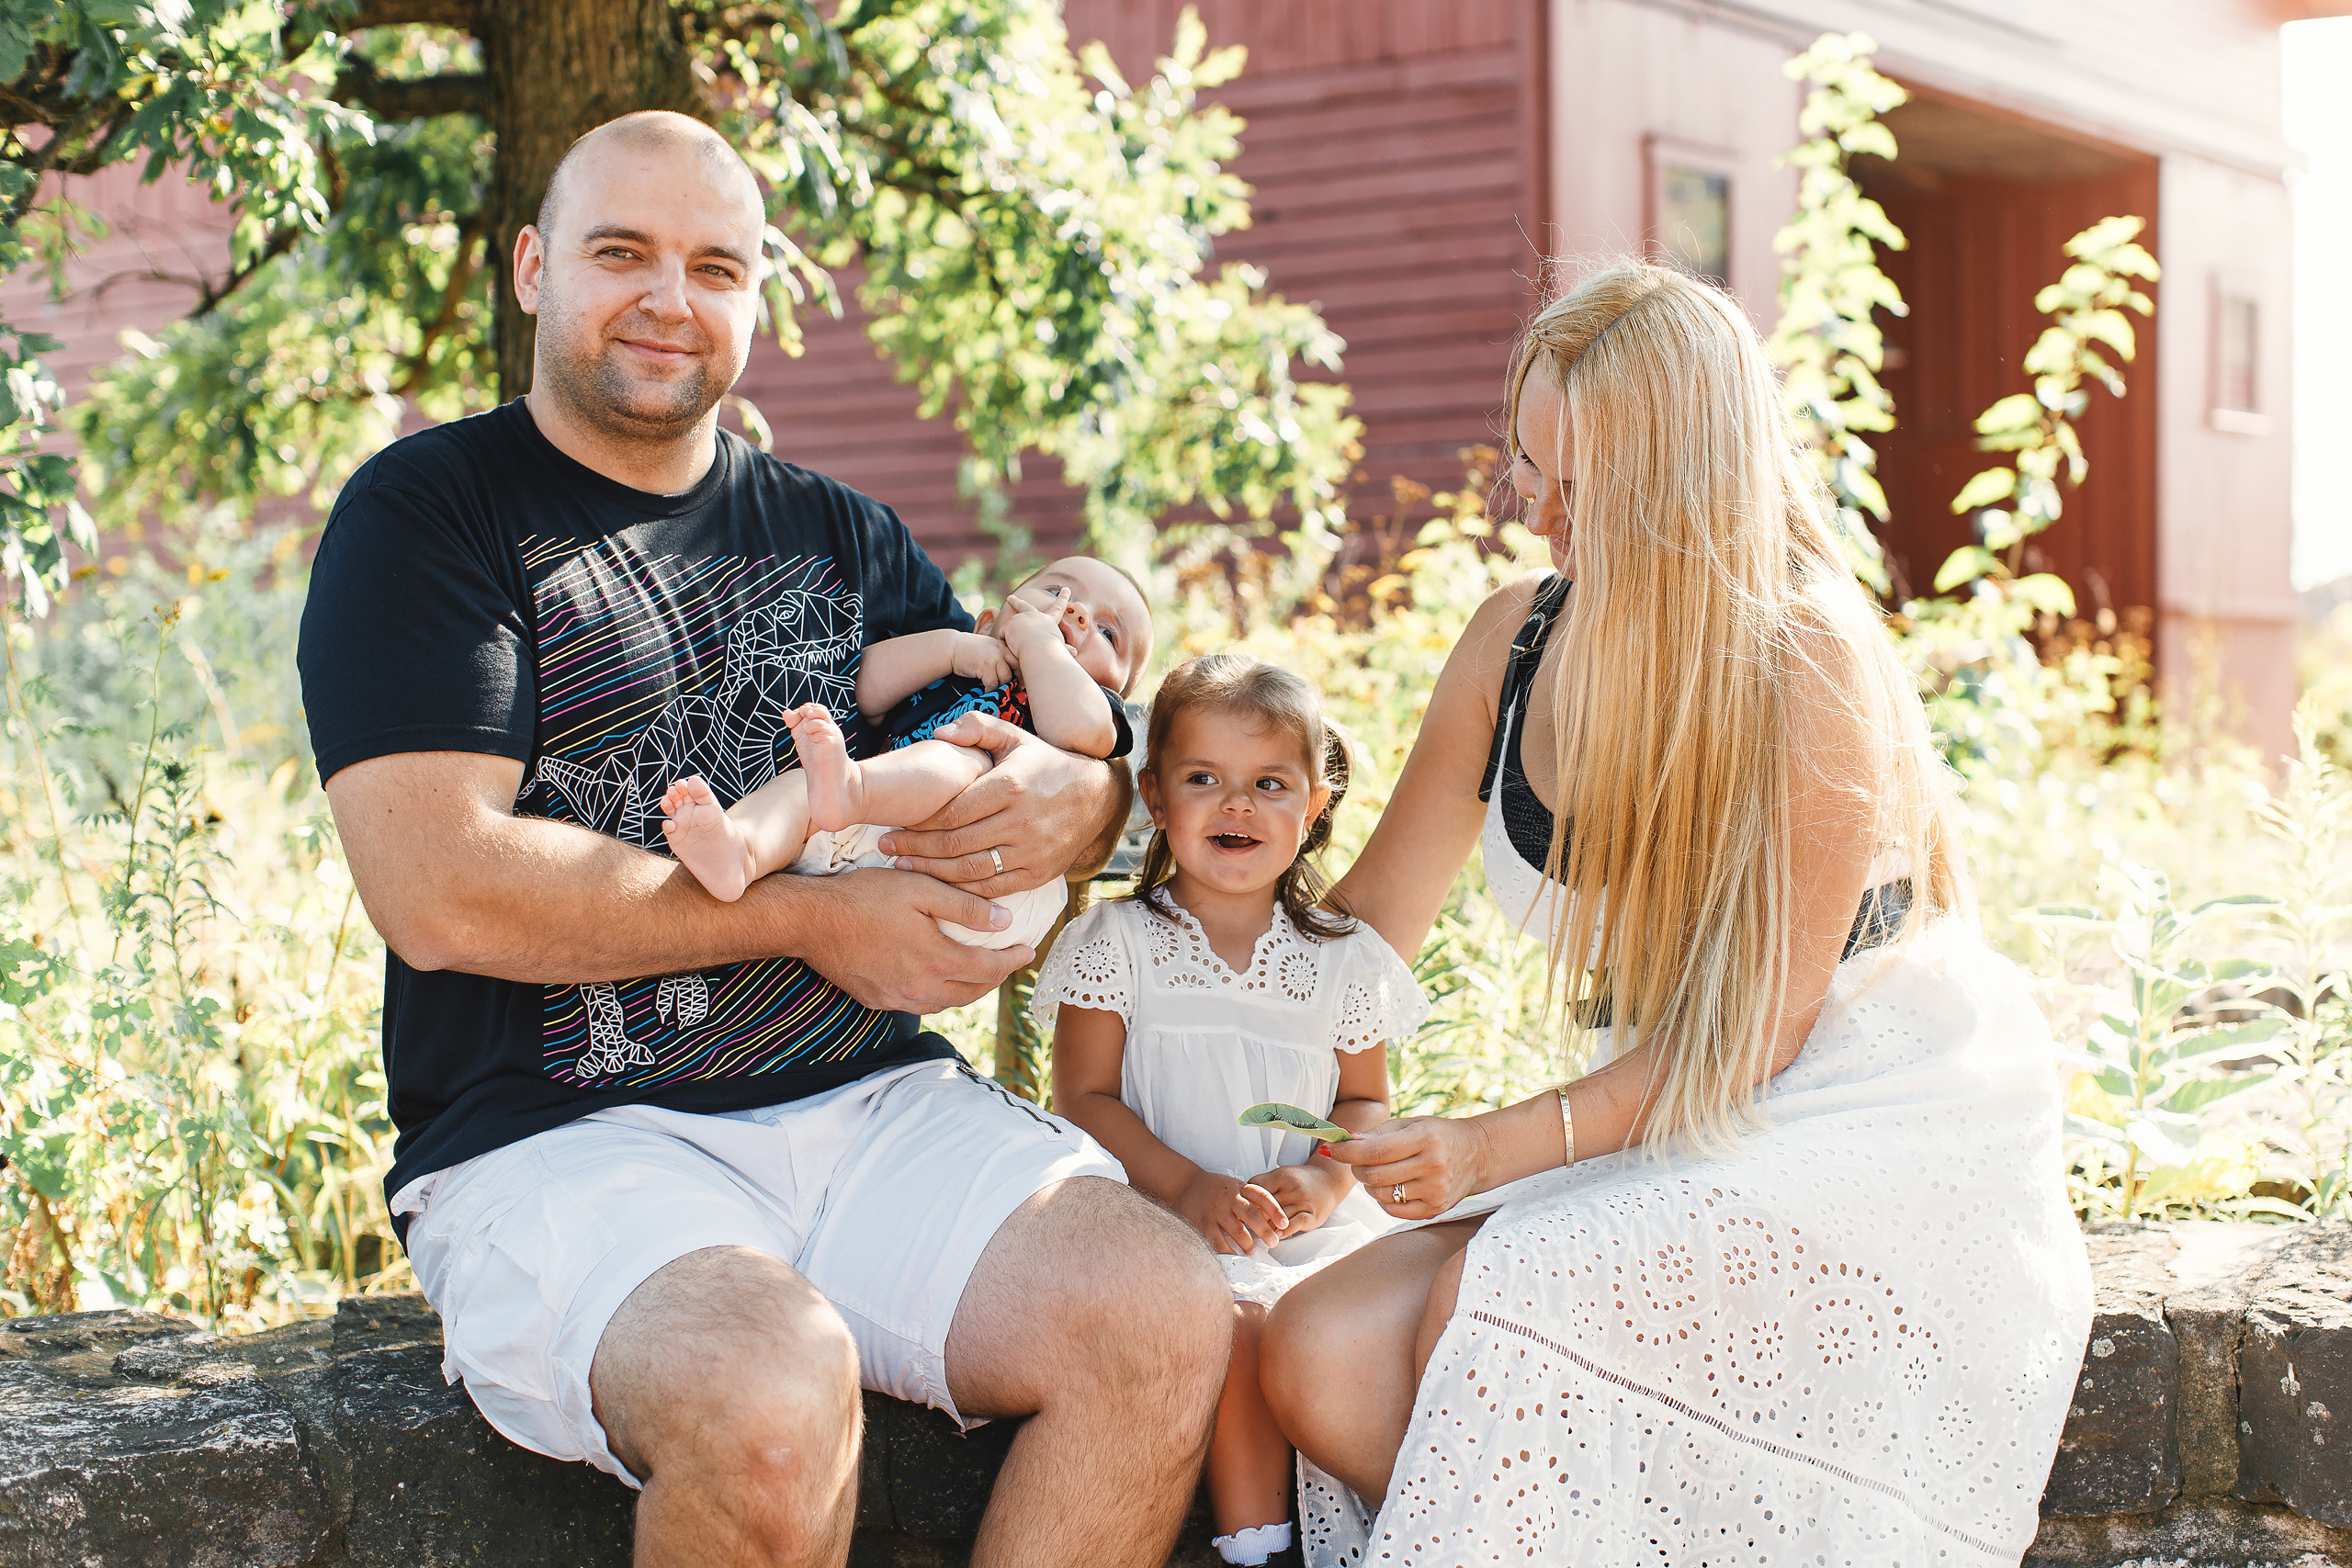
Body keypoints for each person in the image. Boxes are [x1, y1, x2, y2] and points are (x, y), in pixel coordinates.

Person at [297, 110, 1230, 1568]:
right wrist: (803, 914)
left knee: (1165, 1317)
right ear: (534, 267)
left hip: (867, 1102)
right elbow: (442, 889)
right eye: (624, 253)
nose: (672, 299)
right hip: (562, 1135)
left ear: (754, 299)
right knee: (772, 1406)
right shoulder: (430, 513)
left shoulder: (843, 535)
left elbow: (1013, 750)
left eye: (715, 266)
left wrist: (1090, 805)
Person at [1260, 263, 2092, 1563]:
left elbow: (1757, 1031)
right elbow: (1364, 934)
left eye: (1580, 485)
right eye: (1529, 465)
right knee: (1314, 1351)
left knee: (1495, 1302)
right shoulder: (1514, 644)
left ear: (1683, 478)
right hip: (1658, 1101)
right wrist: (1162, 914)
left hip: (1861, 1108)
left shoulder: (1804, 654)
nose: (1537, 511)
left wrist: (1487, 1149)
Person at [1034, 654, 1427, 1568]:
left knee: (1366, 1319)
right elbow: (1083, 1099)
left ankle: (1410, 1530)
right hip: (1161, 1221)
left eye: (1268, 785)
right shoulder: (1121, 944)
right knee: (1240, 1326)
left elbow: (1364, 1100)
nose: (1236, 805)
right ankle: (1258, 1552)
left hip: (1301, 1228)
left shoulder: (1341, 961)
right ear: (1156, 799)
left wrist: (1327, 1180)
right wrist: (1188, 1187)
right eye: (1204, 779)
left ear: (1314, 805)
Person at [659, 555, 1151, 953]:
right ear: (990, 620)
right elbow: (865, 692)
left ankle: (854, 789)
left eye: (1109, 634)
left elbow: (1080, 732)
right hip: (867, 832)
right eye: (1057, 592)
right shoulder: (965, 659)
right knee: (800, 788)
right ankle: (739, 852)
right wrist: (951, 648)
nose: (1078, 613)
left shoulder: (1087, 705)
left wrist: (1041, 641)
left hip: (976, 872)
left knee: (966, 757)